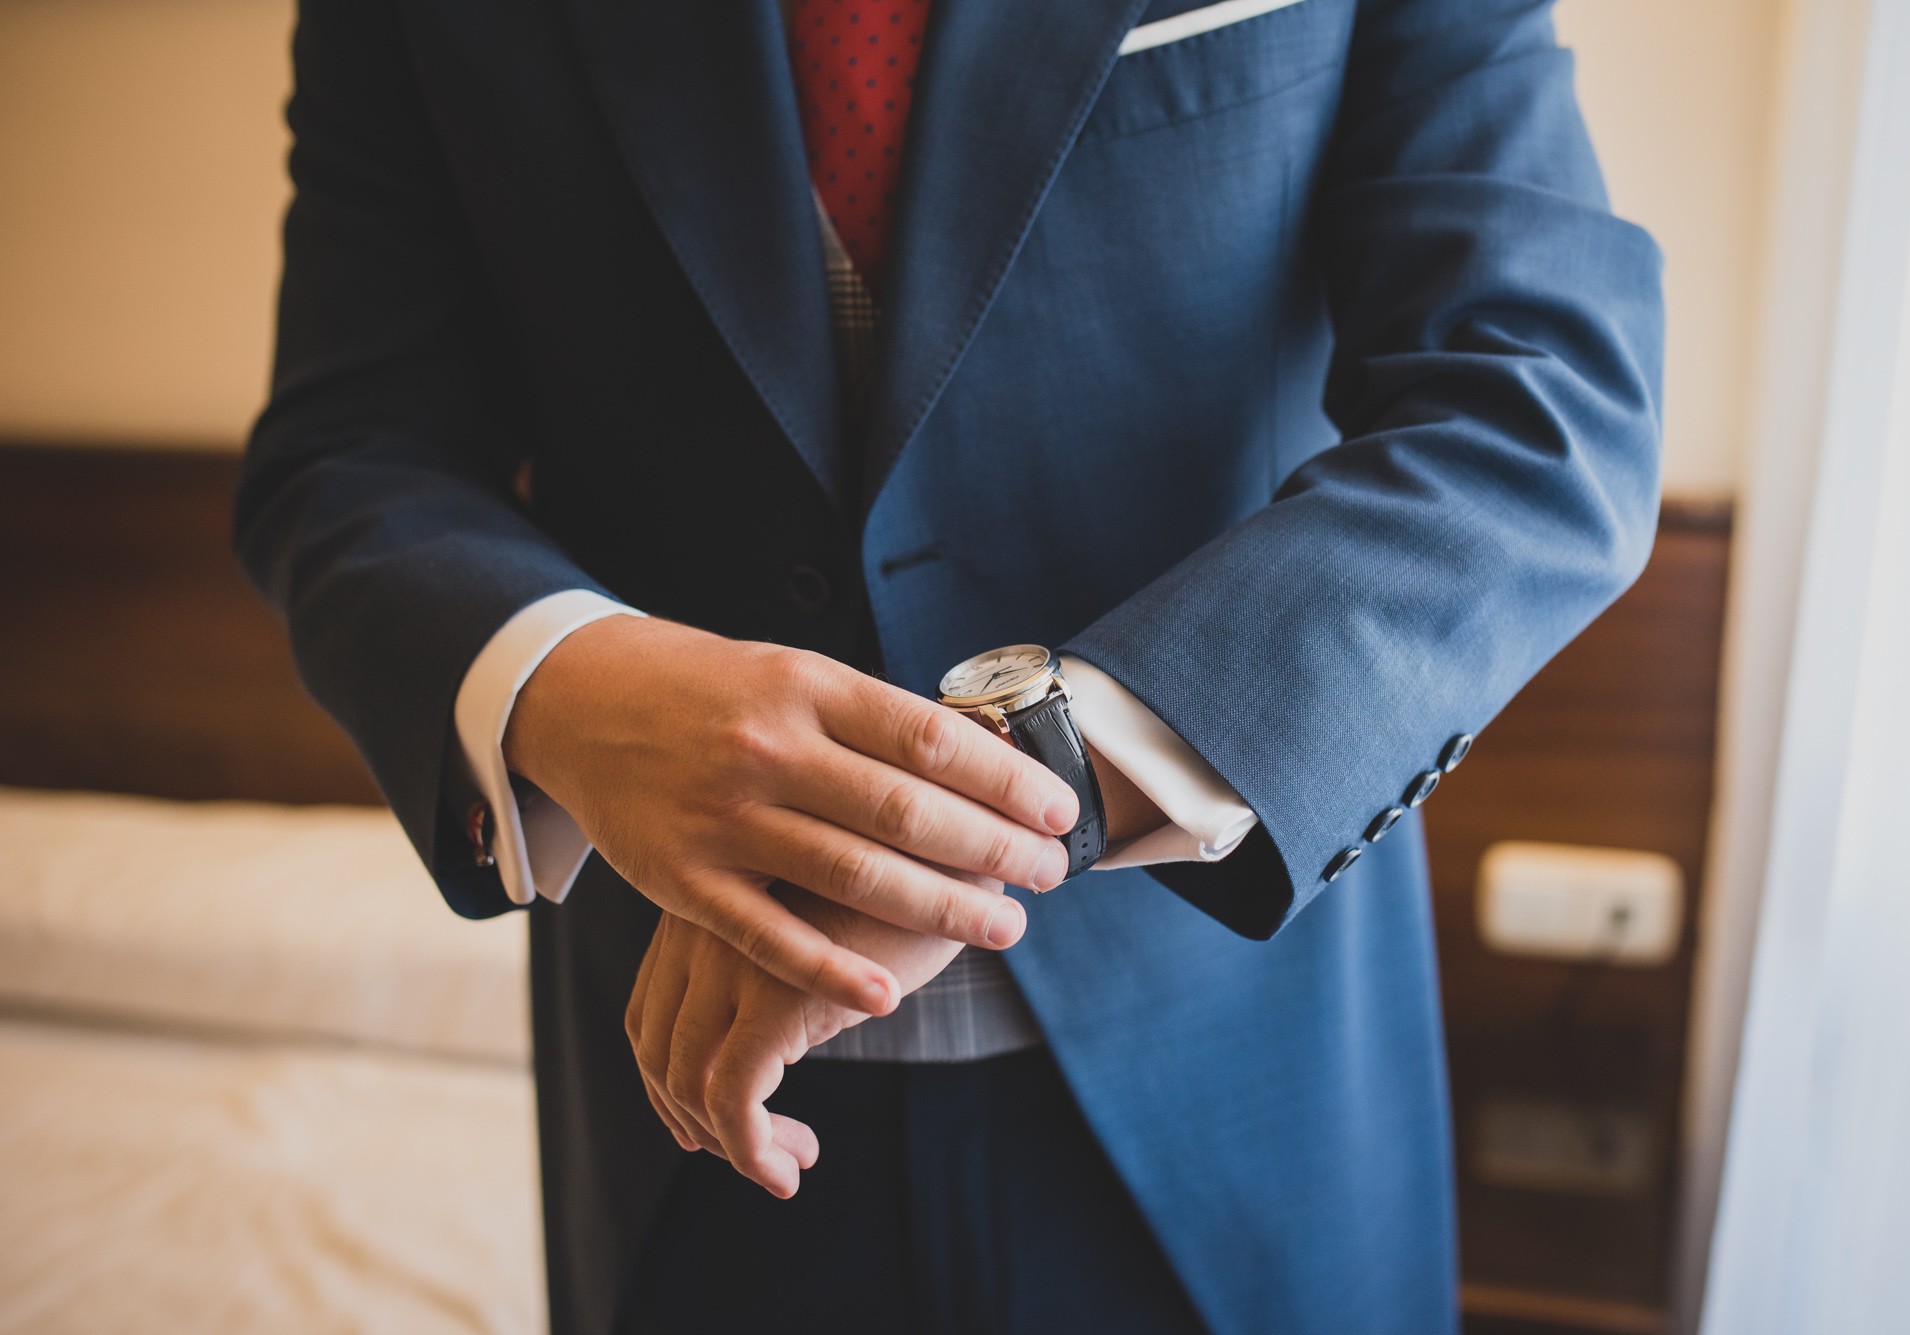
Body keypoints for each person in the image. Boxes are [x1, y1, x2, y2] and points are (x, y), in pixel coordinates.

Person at [236, 0, 1664, 1330]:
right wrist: (572, 686)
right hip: (691, 1114)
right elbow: (350, 454)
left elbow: (1540, 398)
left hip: (1235, 1091)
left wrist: (1016, 790)